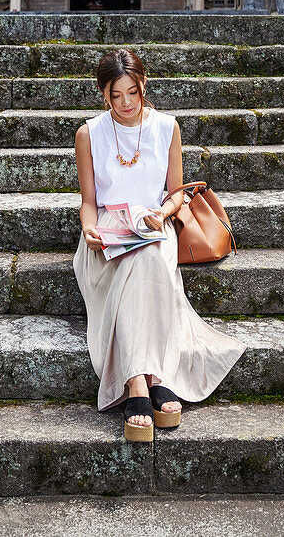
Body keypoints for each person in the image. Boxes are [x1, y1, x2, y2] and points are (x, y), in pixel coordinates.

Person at [72, 48, 248, 442]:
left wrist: (162, 216)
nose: (125, 103)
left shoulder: (167, 127)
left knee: (150, 254)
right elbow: (87, 202)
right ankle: (150, 379)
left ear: (143, 85)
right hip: (106, 240)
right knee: (139, 260)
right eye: (115, 96)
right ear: (103, 94)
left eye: (131, 92)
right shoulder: (89, 133)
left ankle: (137, 380)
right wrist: (89, 230)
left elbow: (175, 194)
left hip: (152, 229)